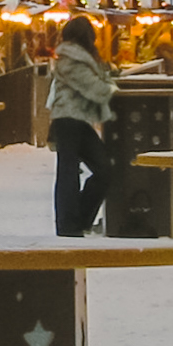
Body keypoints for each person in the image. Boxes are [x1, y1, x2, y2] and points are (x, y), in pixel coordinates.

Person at [43, 13, 118, 235]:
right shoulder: (69, 59)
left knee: (100, 169)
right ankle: (69, 225)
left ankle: (77, 221)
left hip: (77, 119)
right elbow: (92, 86)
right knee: (70, 172)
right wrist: (112, 89)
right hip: (67, 119)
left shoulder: (78, 57)